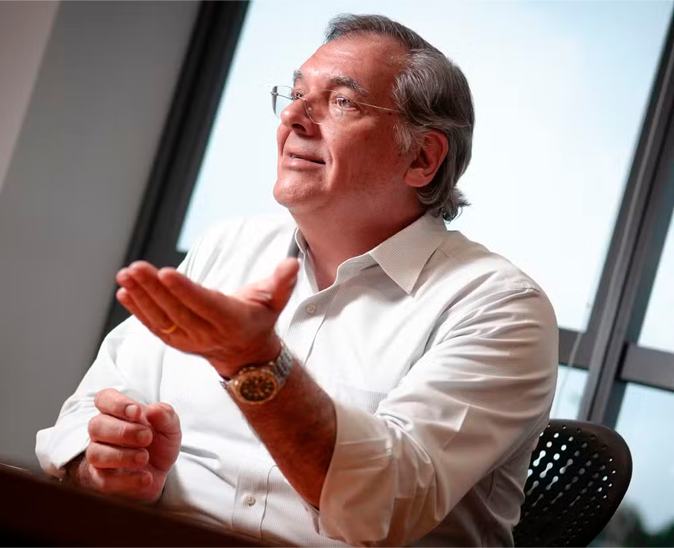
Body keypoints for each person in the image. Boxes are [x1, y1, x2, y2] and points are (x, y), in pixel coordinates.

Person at [36, 13, 558, 548]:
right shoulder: (227, 246)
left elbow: (385, 506)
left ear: (422, 158)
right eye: (296, 93)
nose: (293, 116)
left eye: (342, 102)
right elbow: (85, 413)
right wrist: (105, 467)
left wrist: (254, 362)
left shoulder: (500, 307)